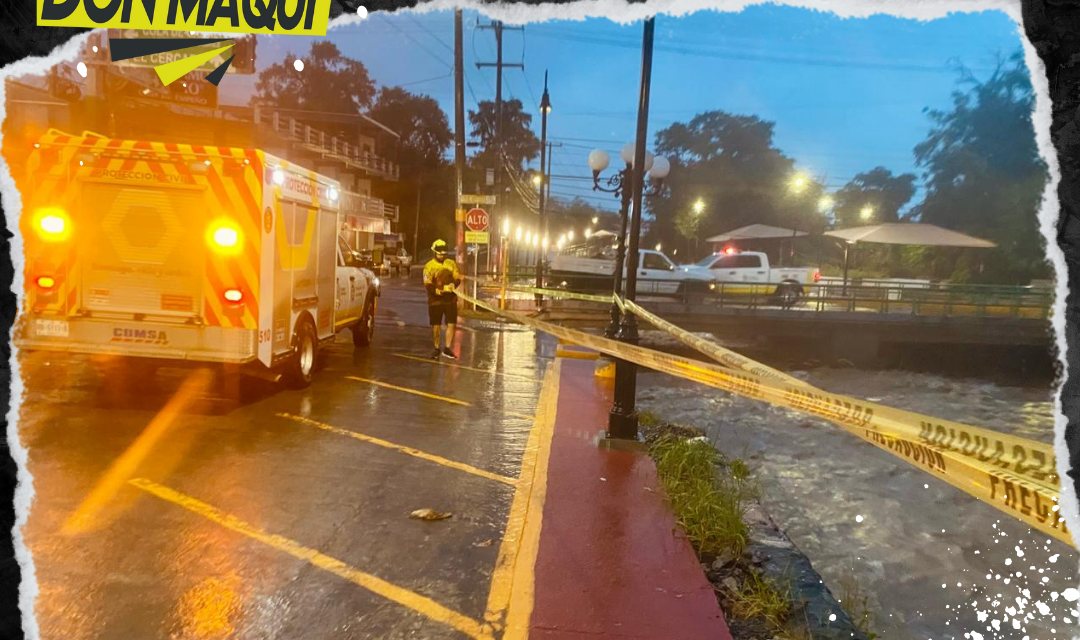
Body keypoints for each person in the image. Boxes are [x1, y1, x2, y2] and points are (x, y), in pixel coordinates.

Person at [423, 239, 462, 359]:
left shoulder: (451, 264)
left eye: (444, 254)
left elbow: (457, 277)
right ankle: (436, 348)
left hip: (450, 299)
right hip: (435, 301)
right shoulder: (429, 266)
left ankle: (447, 348)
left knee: (452, 323)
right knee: (436, 325)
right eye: (440, 254)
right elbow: (427, 282)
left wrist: (453, 285)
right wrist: (436, 291)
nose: (442, 256)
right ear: (434, 253)